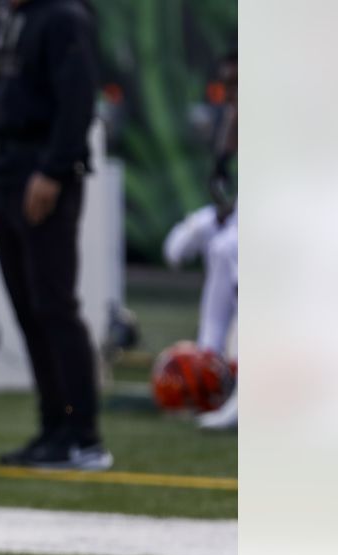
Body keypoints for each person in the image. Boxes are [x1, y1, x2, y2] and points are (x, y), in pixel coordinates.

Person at [0, 0, 111, 470]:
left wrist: (52, 170)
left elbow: (77, 101)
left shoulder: (64, 17)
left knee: (54, 305)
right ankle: (53, 428)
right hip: (6, 168)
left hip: (40, 170)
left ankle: (83, 436)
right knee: (28, 308)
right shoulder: (14, 18)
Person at [164, 50, 237, 430]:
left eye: (236, 85)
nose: (230, 95)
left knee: (230, 249)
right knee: (197, 246)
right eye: (227, 85)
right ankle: (211, 365)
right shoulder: (231, 123)